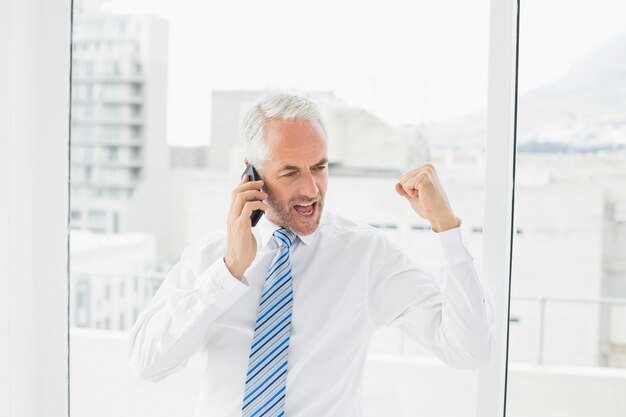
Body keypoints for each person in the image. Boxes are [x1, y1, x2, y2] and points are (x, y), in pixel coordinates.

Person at [127, 92, 495, 417]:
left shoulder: (365, 254)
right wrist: (229, 271)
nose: (311, 188)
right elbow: (148, 363)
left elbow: (470, 350)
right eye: (290, 172)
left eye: (319, 167)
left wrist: (446, 227)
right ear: (251, 174)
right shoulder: (211, 257)